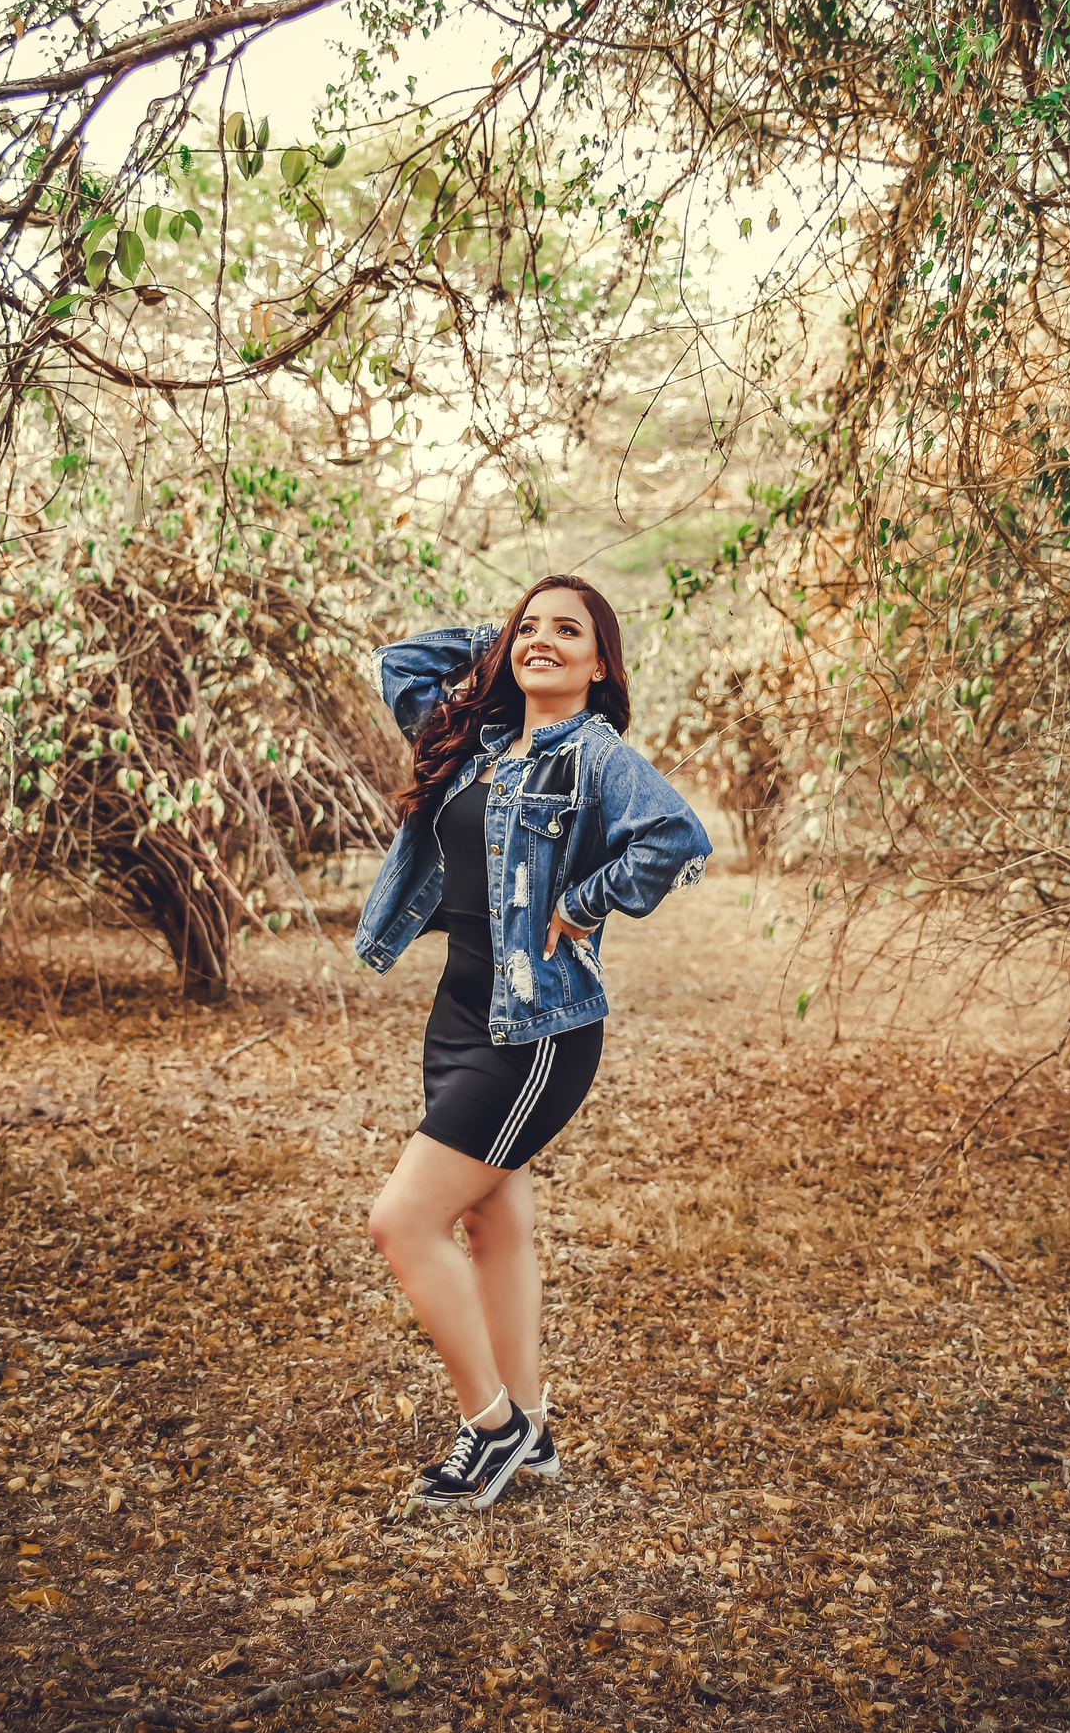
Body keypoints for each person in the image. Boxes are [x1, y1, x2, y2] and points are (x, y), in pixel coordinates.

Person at [356, 574, 712, 1509]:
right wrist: (513, 633)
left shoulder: (594, 756)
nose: (541, 642)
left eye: (568, 632)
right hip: (458, 1013)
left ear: (602, 665)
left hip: (535, 1031)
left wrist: (585, 903)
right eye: (529, 629)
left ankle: (492, 1428)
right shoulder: (474, 742)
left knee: (402, 1221)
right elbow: (400, 665)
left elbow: (675, 838)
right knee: (490, 1222)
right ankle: (534, 1430)